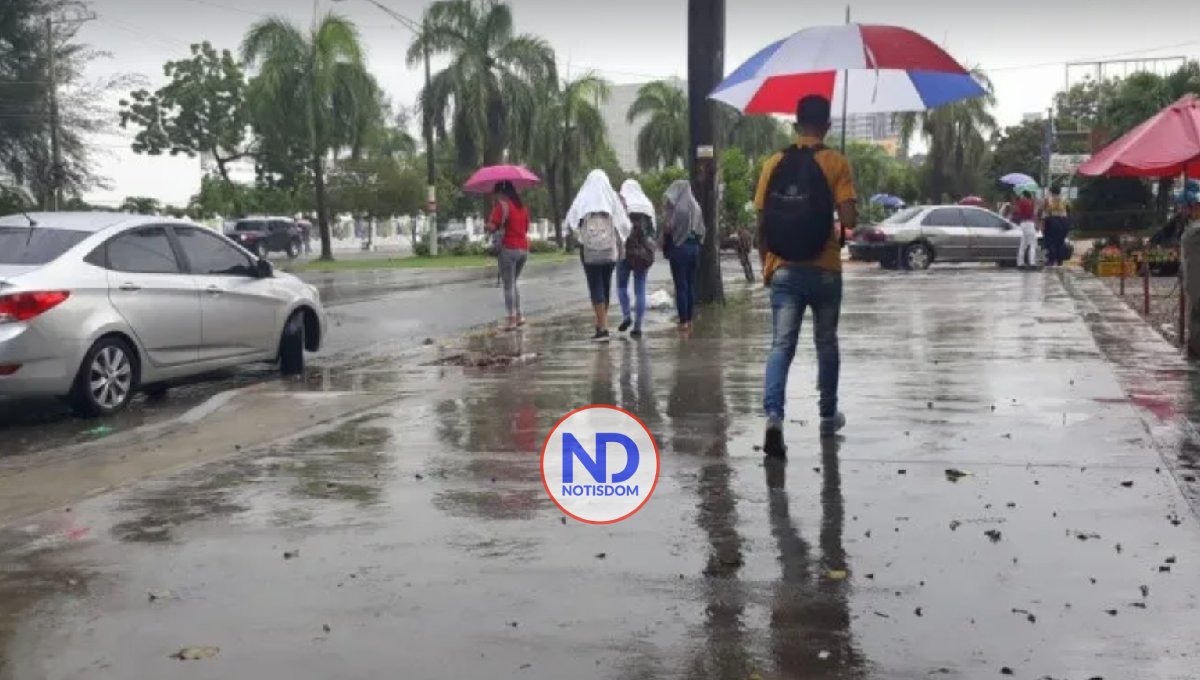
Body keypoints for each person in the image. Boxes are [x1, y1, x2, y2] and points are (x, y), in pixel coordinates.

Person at [755, 94, 857, 455]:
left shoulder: (774, 162)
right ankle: (828, 416)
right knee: (826, 342)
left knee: (781, 345)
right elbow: (849, 221)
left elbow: (761, 223)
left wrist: (768, 264)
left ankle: (773, 417)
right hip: (826, 268)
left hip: (783, 268)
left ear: (797, 125)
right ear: (827, 125)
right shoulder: (835, 161)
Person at [566, 169, 631, 342]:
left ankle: (602, 328)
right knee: (605, 284)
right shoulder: (612, 198)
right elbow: (624, 225)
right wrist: (619, 241)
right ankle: (601, 322)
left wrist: (580, 236)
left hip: (589, 251)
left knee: (595, 285)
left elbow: (571, 221)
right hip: (609, 251)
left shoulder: (583, 198)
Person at [617, 178, 658, 339]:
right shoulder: (647, 205)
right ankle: (638, 327)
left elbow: (618, 227)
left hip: (625, 253)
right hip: (643, 255)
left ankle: (627, 315)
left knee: (621, 287)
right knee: (640, 290)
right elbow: (653, 231)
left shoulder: (622, 205)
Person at [486, 180, 530, 330]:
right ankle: (519, 315)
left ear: (501, 193)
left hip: (508, 249)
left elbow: (492, 227)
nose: (495, 196)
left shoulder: (501, 206)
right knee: (513, 283)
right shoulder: (522, 207)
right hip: (523, 249)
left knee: (508, 285)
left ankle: (511, 318)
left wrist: (489, 224)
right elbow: (526, 228)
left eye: (496, 194)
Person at [662, 179, 705, 332]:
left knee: (681, 285)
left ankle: (683, 321)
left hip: (679, 248)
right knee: (690, 284)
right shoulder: (696, 207)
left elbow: (669, 227)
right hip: (694, 248)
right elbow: (701, 230)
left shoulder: (679, 209)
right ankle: (690, 319)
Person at [1041, 186, 1071, 267]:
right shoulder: (1064, 200)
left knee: (1051, 242)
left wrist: (1043, 224)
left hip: (1052, 221)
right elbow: (1068, 211)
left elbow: (1045, 213)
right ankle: (1059, 261)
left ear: (1051, 192)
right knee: (1060, 242)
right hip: (1064, 222)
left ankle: (1051, 260)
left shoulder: (1048, 200)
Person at [1013, 190, 1039, 269]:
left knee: (1023, 244)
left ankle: (1020, 263)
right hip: (1029, 224)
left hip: (1022, 224)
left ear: (1024, 195)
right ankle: (1032, 263)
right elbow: (1033, 214)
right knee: (1032, 244)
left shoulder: (1021, 202)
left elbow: (1017, 212)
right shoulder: (1030, 203)